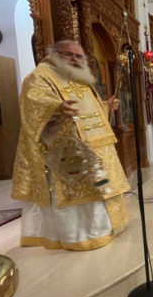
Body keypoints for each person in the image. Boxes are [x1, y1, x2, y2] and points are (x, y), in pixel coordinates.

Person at [11, 40, 131, 251]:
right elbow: (33, 104)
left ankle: (104, 229)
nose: (75, 59)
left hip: (96, 145)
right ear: (54, 54)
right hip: (65, 147)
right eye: (69, 54)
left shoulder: (79, 78)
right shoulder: (40, 76)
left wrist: (106, 105)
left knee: (101, 186)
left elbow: (86, 110)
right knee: (78, 192)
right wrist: (57, 108)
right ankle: (79, 236)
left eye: (79, 56)